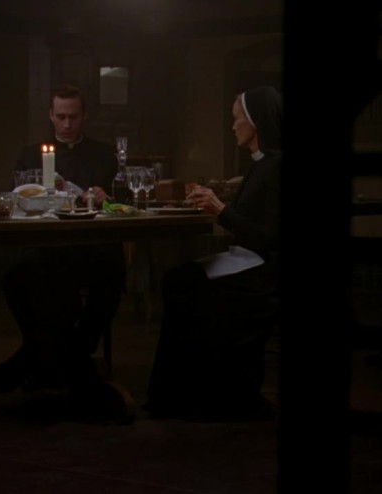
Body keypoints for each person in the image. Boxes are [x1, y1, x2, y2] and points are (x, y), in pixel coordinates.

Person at [144, 85, 282, 421]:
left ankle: (188, 396)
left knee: (182, 284)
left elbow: (271, 238)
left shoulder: (277, 166)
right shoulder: (261, 164)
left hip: (263, 270)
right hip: (246, 258)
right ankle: (182, 393)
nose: (233, 126)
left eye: (237, 119)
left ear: (255, 122)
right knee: (178, 281)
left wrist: (221, 209)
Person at [2, 84, 126, 390]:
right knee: (13, 275)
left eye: (73, 116)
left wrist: (105, 197)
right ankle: (37, 349)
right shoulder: (30, 156)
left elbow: (121, 202)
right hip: (44, 248)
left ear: (84, 116)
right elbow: (16, 200)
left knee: (114, 268)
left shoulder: (103, 155)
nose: (67, 124)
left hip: (89, 249)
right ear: (51, 115)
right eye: (61, 117)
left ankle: (79, 350)